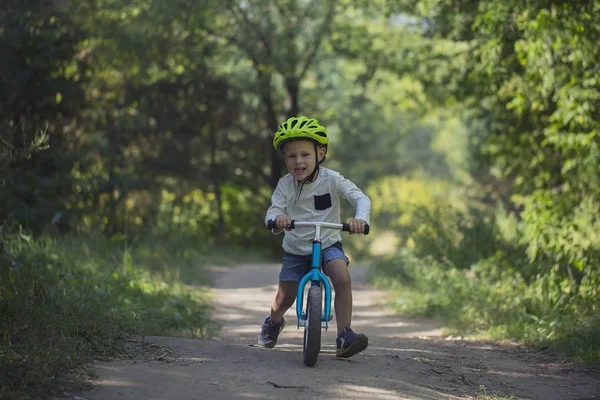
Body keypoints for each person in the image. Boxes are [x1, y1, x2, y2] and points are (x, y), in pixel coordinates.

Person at [258, 116, 371, 358]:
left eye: (305, 155)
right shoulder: (284, 185)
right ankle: (274, 322)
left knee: (341, 277)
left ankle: (344, 335)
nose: (299, 161)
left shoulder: (332, 179)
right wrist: (278, 219)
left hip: (328, 243)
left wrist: (360, 219)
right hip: (296, 249)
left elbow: (360, 198)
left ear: (320, 153)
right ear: (284, 159)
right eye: (292, 156)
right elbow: (274, 208)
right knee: (284, 296)